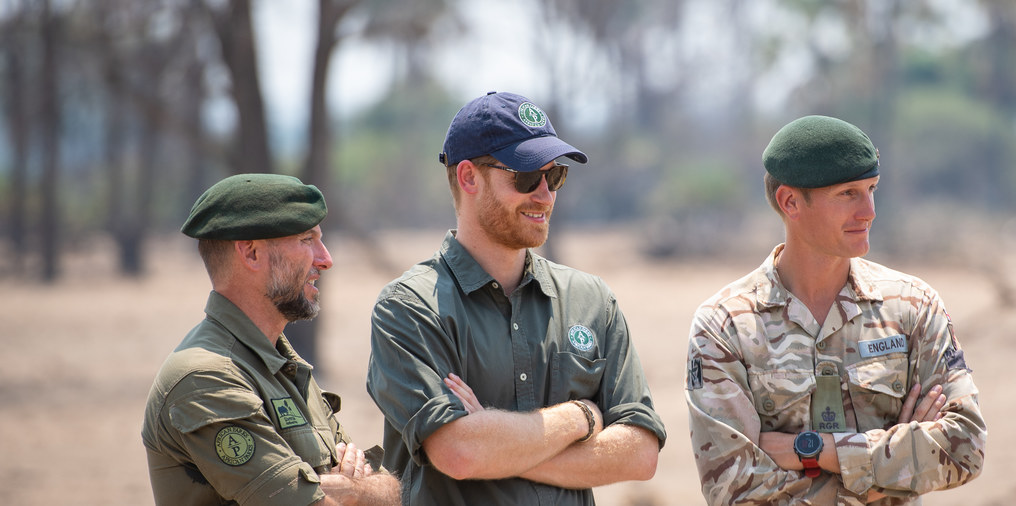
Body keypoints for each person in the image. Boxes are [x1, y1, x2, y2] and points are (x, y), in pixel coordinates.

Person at [367, 91, 666, 505]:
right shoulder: (409, 307)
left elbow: (639, 454)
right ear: (469, 177)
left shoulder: (592, 300)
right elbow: (459, 452)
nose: (545, 195)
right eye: (526, 178)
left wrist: (497, 445)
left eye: (555, 176)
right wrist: (581, 417)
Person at [685, 115, 986, 505]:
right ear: (790, 202)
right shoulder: (725, 325)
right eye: (848, 194)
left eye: (872, 189)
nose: (869, 210)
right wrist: (894, 466)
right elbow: (733, 488)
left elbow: (965, 447)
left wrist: (810, 451)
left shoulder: (913, 307)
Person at [142, 174, 400, 505]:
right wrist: (355, 492)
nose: (325, 259)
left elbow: (389, 491)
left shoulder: (284, 368)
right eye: (307, 240)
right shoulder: (206, 378)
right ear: (251, 253)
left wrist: (355, 490)